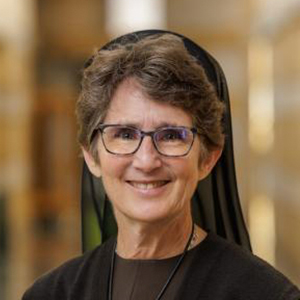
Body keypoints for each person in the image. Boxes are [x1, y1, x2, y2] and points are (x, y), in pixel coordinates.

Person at [23, 30, 300, 300]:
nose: (146, 161)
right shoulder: (51, 293)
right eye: (124, 134)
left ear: (208, 159)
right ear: (92, 157)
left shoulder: (267, 294)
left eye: (171, 136)